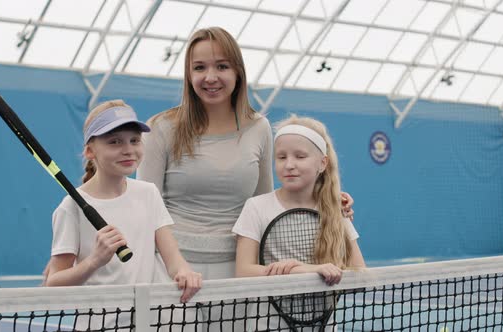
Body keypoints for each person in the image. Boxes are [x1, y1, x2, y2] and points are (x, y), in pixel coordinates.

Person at [137, 26, 355, 281]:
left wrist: (325, 197)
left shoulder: (259, 127)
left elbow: (266, 203)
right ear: (188, 74)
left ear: (238, 72)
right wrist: (176, 267)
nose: (210, 77)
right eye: (199, 68)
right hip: (170, 272)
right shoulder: (160, 127)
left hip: (239, 271)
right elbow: (147, 208)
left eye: (221, 66)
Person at [45, 100, 202, 330]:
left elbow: (173, 259)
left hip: (151, 323)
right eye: (114, 142)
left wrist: (185, 272)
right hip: (100, 326)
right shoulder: (70, 208)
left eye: (134, 140)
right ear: (90, 151)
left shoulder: (148, 193)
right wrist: (94, 261)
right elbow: (53, 285)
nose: (128, 149)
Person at [233, 115, 365, 330]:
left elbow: (360, 275)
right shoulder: (256, 207)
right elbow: (243, 272)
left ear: (322, 163)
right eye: (281, 157)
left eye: (300, 156)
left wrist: (308, 269)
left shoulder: (336, 210)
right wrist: (300, 271)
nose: (289, 165)